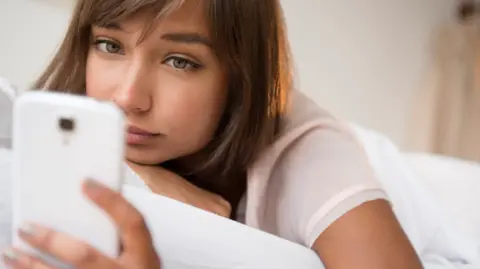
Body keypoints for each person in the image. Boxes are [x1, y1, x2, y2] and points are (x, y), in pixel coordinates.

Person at [2, 0, 425, 268]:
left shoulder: (309, 155)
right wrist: (148, 177)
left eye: (180, 61)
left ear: (240, 77)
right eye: (111, 46)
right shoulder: (61, 117)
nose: (129, 98)